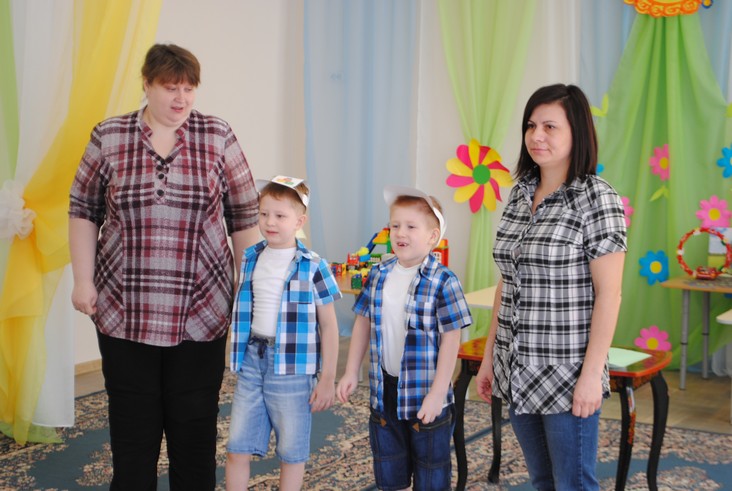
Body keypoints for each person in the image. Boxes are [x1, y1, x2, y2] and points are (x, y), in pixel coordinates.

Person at [68, 44, 260, 490]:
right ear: (147, 84)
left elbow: (244, 218)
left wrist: (249, 292)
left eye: (189, 89)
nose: (181, 98)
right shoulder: (109, 136)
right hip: (123, 309)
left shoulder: (217, 136)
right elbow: (83, 210)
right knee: (133, 427)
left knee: (194, 424)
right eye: (171, 88)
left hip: (202, 309)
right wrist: (82, 280)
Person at [475, 83, 627, 490]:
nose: (536, 136)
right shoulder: (519, 194)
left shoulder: (597, 198)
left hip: (566, 372)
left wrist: (591, 375)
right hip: (516, 366)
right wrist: (489, 357)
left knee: (573, 483)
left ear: (577, 132)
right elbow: (508, 281)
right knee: (542, 480)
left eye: (549, 126)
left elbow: (609, 295)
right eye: (530, 125)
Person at [336, 186, 472, 491]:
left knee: (431, 472)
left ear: (432, 236)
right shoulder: (379, 274)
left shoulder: (444, 281)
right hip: (385, 390)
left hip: (426, 391)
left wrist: (438, 392)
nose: (400, 232)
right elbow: (363, 322)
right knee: (390, 469)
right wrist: (350, 371)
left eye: (411, 226)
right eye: (395, 225)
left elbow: (451, 340)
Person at [225, 176, 341, 491]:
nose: (270, 222)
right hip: (252, 361)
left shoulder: (314, 266)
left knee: (291, 452)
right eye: (264, 214)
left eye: (280, 215)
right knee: (237, 447)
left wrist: (328, 377)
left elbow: (329, 326)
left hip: (292, 368)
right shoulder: (250, 258)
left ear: (299, 221)